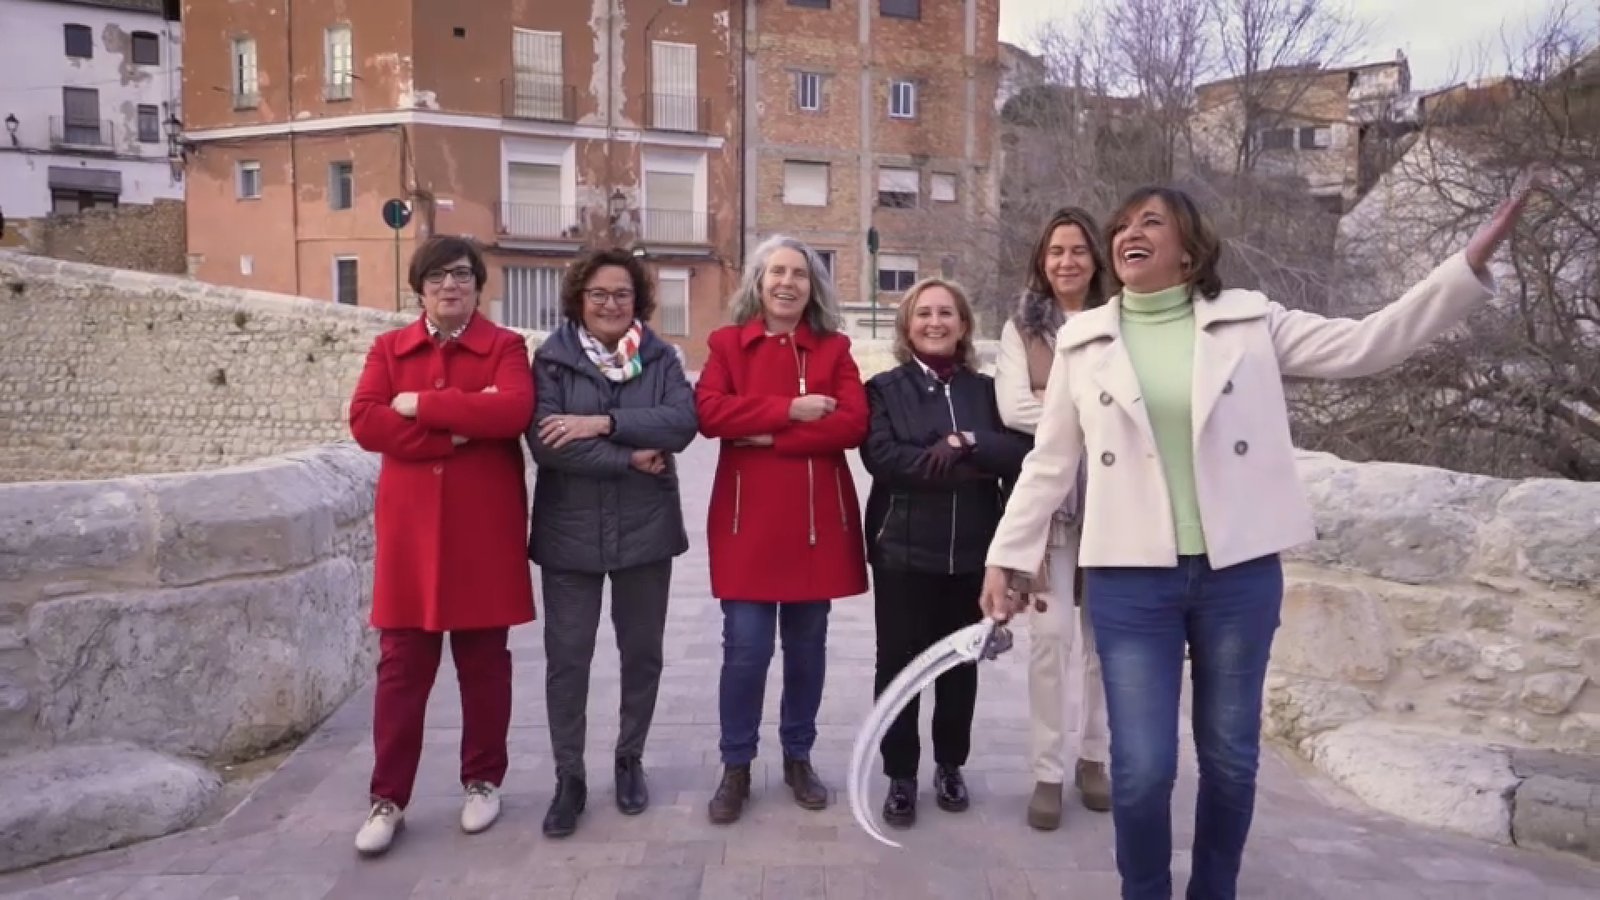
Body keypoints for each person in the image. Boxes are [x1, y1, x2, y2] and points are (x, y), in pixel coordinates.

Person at [979, 174, 1544, 899]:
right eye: (1120, 225)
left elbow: (1368, 344)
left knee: (1232, 758)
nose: (1127, 234)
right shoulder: (1085, 342)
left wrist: (1463, 269)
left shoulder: (1250, 322)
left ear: (1189, 250)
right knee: (1144, 766)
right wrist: (1009, 555)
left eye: (1149, 221)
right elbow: (1051, 463)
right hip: (1129, 577)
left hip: (1236, 575)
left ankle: (1215, 890)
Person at [346, 235, 538, 857]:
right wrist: (452, 434)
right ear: (419, 289)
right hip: (411, 539)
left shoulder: (506, 347)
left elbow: (511, 413)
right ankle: (388, 799)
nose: (450, 287)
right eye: (436, 278)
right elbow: (367, 422)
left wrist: (421, 406)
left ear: (479, 285)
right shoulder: (388, 348)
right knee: (401, 671)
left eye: (461, 275)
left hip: (482, 535)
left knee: (485, 666)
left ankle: (483, 780)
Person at [694, 234, 870, 824]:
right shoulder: (727, 345)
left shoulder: (834, 348)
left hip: (814, 529)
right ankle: (736, 764)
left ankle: (798, 755)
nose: (787, 282)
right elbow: (711, 415)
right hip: (748, 528)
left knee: (806, 650)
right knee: (745, 650)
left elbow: (852, 424)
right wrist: (790, 411)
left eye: (799, 273)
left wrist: (767, 436)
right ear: (758, 282)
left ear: (812, 287)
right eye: (777, 272)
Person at [525, 247, 698, 838]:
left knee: (642, 654)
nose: (609, 304)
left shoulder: (660, 357)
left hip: (644, 533)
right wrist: (629, 457)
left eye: (621, 294)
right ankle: (568, 777)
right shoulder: (551, 361)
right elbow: (549, 444)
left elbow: (681, 424)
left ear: (638, 301)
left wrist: (601, 424)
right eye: (598, 293)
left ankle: (629, 759)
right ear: (579, 298)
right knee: (568, 660)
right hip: (569, 535)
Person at [860, 277, 1031, 829]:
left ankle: (951, 765)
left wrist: (964, 443)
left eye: (946, 313)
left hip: (975, 553)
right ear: (907, 326)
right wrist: (974, 466)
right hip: (903, 550)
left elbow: (1023, 451)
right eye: (923, 313)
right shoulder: (884, 388)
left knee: (961, 665)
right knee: (901, 667)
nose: (935, 322)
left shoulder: (987, 392)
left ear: (963, 325)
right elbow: (884, 459)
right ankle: (901, 776)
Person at [994, 207, 1114, 829]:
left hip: (1120, 504)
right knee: (1050, 641)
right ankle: (1047, 768)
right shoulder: (1025, 328)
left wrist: (1062, 407)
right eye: (1054, 251)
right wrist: (1094, 414)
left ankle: (1096, 756)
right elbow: (1014, 406)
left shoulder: (1122, 321)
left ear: (1096, 258)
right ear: (1041, 261)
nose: (1066, 261)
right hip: (1055, 509)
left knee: (1107, 641)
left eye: (1077, 250)